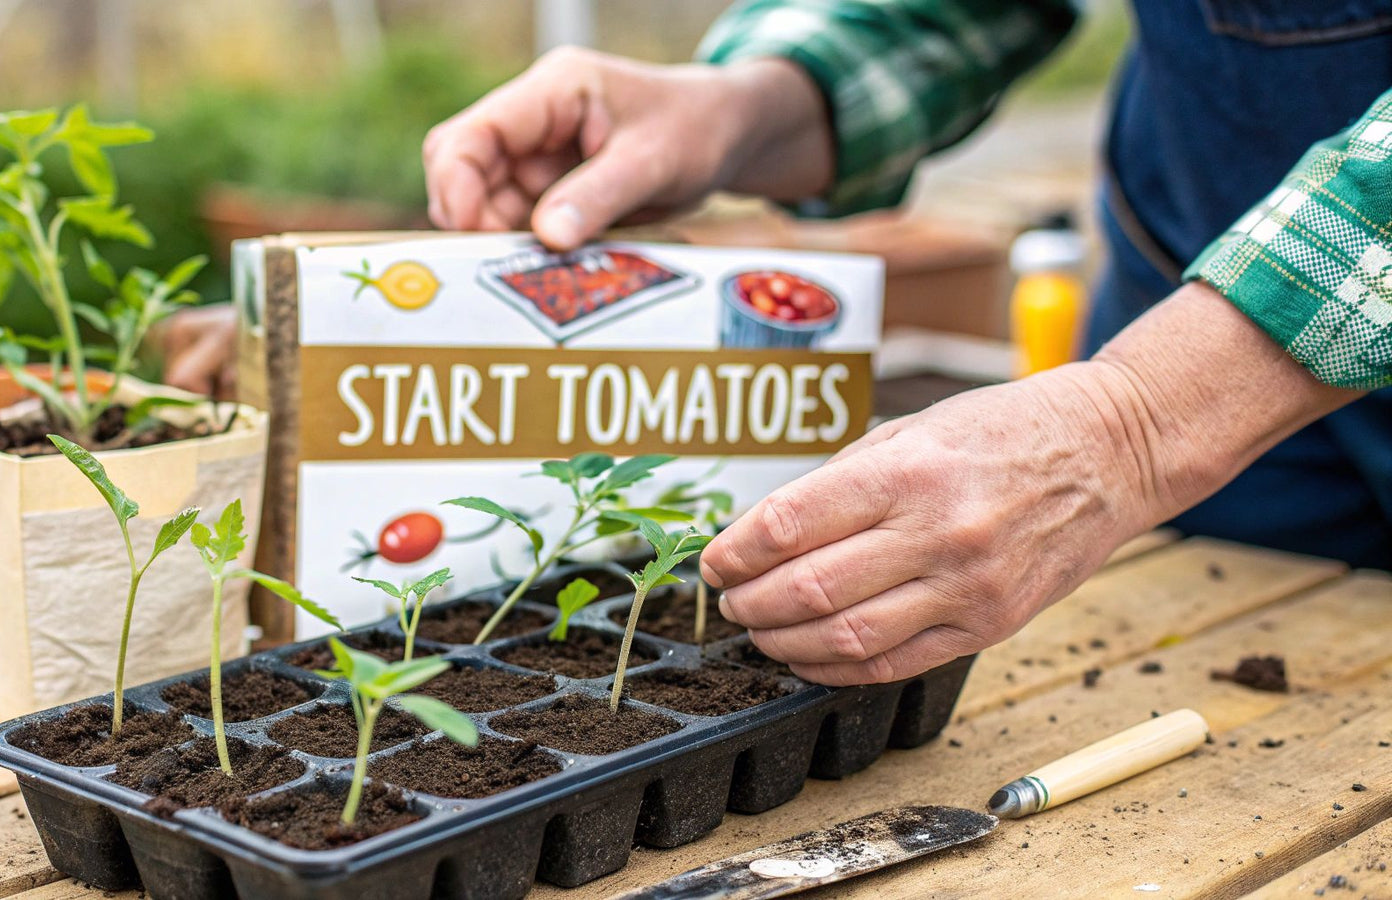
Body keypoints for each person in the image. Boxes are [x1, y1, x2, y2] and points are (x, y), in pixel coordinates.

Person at [174, 1, 1392, 687]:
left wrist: (1136, 417)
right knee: (1231, 680)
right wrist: (751, 104)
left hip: (1212, 345)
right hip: (1202, 268)